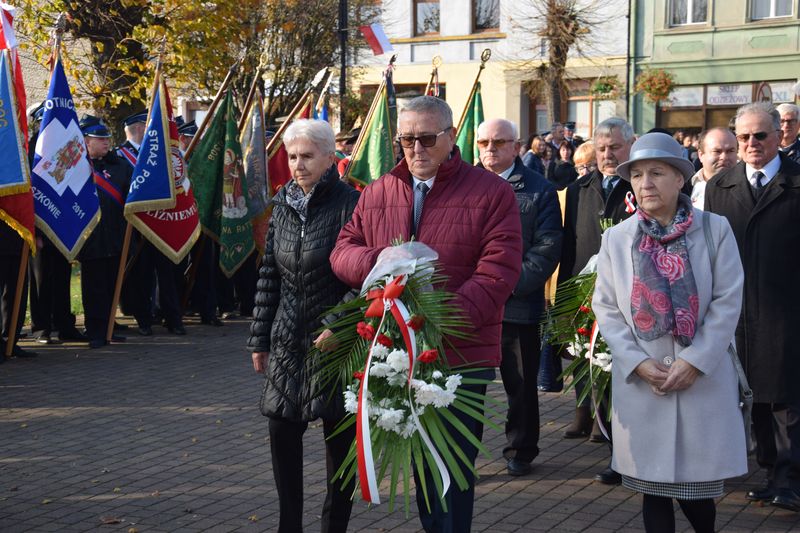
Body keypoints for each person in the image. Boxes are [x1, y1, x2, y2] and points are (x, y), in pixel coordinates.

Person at [330, 96, 522, 532]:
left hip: (460, 354)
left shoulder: (491, 192)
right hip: (392, 352)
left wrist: (434, 325)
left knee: (450, 470)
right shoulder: (378, 190)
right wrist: (384, 259)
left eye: (426, 138)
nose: (415, 149)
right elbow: (343, 253)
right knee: (421, 471)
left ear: (451, 137)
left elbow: (499, 270)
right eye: (407, 139)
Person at [593, 131, 747, 533]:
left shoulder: (715, 229)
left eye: (657, 172)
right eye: (639, 174)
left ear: (681, 179)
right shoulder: (617, 238)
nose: (646, 183)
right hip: (646, 384)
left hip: (701, 381)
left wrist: (695, 361)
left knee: (697, 495)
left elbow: (728, 301)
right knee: (653, 490)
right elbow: (606, 308)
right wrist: (638, 362)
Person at [248, 119, 359, 533]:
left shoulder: (351, 204)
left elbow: (367, 278)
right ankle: (288, 526)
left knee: (338, 440)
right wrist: (260, 338)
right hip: (288, 339)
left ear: (331, 158)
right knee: (281, 429)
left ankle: (335, 526)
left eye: (308, 156)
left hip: (335, 343)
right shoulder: (283, 205)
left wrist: (340, 324)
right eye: (293, 156)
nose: (298, 164)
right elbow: (268, 276)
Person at [705, 102, 800, 512]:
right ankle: (768, 473)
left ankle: (789, 480)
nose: (751, 144)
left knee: (787, 400)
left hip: (787, 308)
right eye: (743, 137)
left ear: (779, 136)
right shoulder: (720, 185)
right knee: (754, 395)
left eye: (760, 135)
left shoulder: (796, 181)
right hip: (738, 310)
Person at [476, 118, 562, 477]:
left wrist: (506, 285)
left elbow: (547, 247)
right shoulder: (464, 186)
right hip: (472, 305)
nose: (490, 149)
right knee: (467, 385)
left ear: (516, 147)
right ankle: (463, 453)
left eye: (498, 142)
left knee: (521, 384)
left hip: (517, 304)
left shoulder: (539, 190)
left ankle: (521, 449)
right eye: (483, 143)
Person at [559, 117, 636, 483]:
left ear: (630, 146)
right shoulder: (580, 188)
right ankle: (611, 449)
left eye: (615, 148)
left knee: (621, 375)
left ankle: (626, 453)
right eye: (602, 148)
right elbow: (571, 242)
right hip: (586, 296)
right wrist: (567, 295)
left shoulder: (638, 185)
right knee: (593, 366)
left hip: (630, 298)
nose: (608, 155)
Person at [78, 116, 130, 349]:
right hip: (91, 239)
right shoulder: (76, 168)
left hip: (115, 236)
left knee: (112, 285)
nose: (106, 142)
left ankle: (109, 327)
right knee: (94, 287)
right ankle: (95, 330)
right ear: (86, 142)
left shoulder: (119, 166)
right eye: (100, 139)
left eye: (107, 138)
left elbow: (132, 195)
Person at [689, 127, 738, 209]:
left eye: (730, 151)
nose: (724, 157)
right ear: (701, 155)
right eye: (717, 151)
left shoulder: (748, 187)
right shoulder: (684, 186)